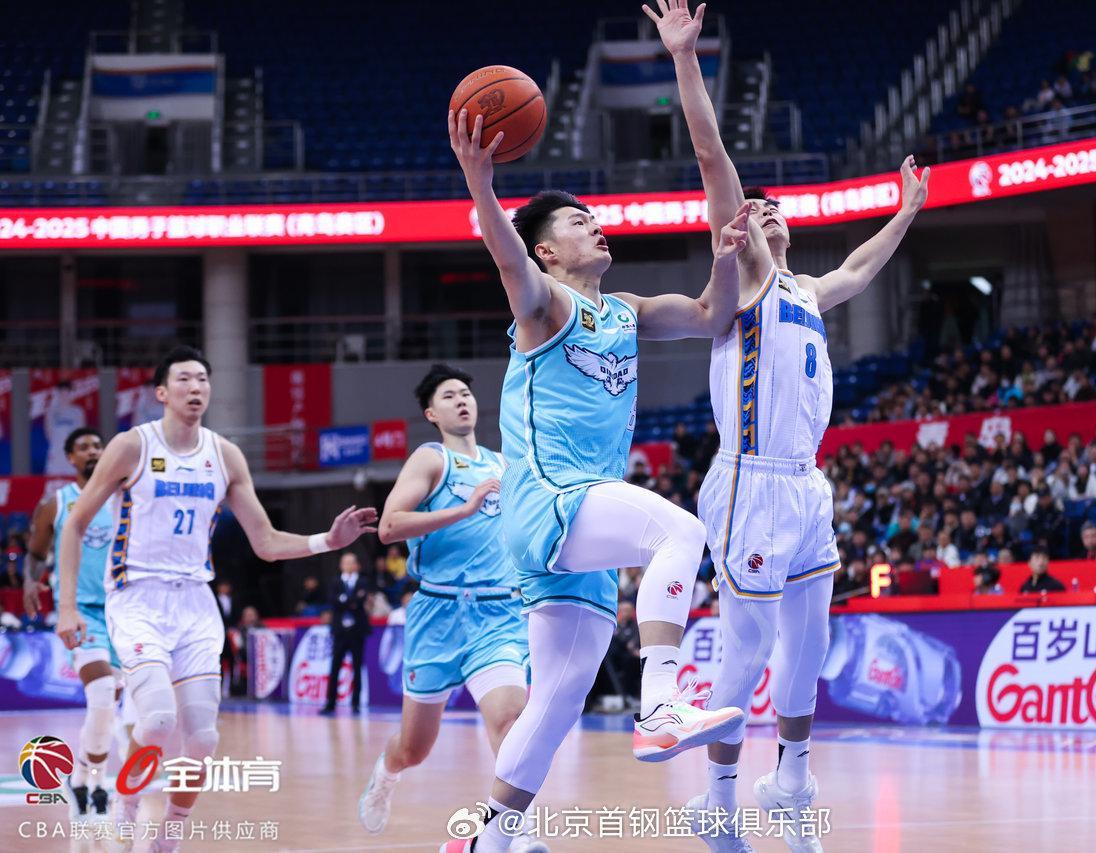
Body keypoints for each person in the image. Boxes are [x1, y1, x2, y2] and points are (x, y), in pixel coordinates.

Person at [651, 3, 929, 849]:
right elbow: (713, 158)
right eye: (756, 208)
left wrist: (906, 211)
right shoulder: (749, 278)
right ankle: (717, 797)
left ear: (792, 228)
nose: (763, 212)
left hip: (807, 484)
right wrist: (686, 59)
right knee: (748, 647)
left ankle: (792, 782)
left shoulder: (808, 290)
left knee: (809, 643)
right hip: (750, 479)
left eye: (775, 209)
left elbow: (861, 266)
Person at [443, 93, 750, 853]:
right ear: (548, 252)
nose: (595, 223)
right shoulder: (542, 303)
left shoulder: (626, 310)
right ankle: (660, 702)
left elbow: (711, 315)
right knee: (680, 531)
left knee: (556, 701)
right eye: (577, 221)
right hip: (550, 499)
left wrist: (724, 254)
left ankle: (488, 841)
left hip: (580, 528)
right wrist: (481, 184)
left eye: (592, 216)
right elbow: (506, 255)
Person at [53, 346, 377, 851]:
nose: (196, 387)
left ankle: (170, 834)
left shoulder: (224, 455)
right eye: (184, 379)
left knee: (203, 737)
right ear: (162, 393)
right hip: (137, 598)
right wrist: (67, 606)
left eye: (203, 379)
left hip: (195, 605)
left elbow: (266, 542)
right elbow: (74, 524)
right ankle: (127, 804)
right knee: (157, 719)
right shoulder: (132, 446)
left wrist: (326, 541)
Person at [357, 365, 544, 853]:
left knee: (510, 719)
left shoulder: (504, 465)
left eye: (466, 393)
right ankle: (386, 774)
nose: (462, 400)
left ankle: (512, 830)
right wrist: (464, 509)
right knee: (414, 749)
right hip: (437, 615)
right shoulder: (431, 459)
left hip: (497, 615)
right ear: (431, 413)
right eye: (449, 396)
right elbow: (390, 527)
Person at [23, 426, 131, 821]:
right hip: (81, 613)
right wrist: (31, 581)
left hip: (125, 611)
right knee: (101, 693)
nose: (93, 451)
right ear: (70, 457)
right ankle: (96, 780)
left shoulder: (125, 498)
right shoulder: (58, 503)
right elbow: (36, 553)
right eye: (84, 447)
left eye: (98, 445)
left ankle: (83, 776)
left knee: (111, 705)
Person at [320, 552, 373, 715]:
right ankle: (330, 703)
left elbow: (361, 600)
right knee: (335, 666)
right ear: (341, 565)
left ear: (357, 565)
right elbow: (333, 600)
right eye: (345, 562)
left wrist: (345, 600)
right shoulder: (335, 581)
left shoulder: (363, 581)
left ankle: (355, 703)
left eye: (351, 562)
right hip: (340, 631)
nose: (348, 565)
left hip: (357, 630)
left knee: (357, 666)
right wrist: (351, 601)